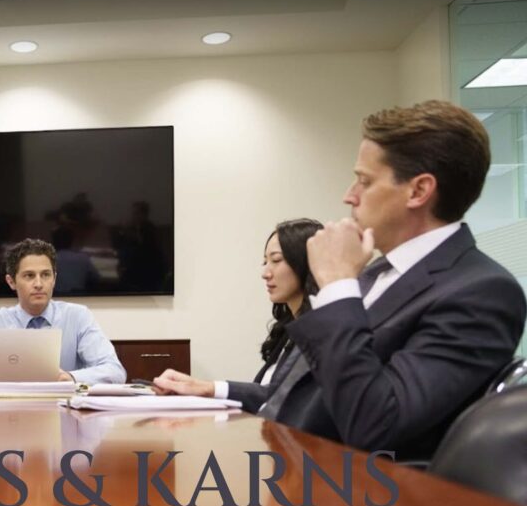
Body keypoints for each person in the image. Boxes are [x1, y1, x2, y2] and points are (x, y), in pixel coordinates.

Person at [166, 101, 527, 460]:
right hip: (282, 464)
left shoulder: (482, 292)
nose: (349, 195)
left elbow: (378, 422)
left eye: (365, 181)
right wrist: (212, 390)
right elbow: (295, 393)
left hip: (353, 488)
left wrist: (337, 287)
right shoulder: (372, 273)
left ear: (418, 191)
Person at [153, 219, 322, 413]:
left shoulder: (321, 334)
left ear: (306, 262)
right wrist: (199, 387)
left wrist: (207, 388)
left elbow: (282, 398)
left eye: (276, 260)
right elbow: (266, 395)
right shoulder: (288, 329)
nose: (265, 273)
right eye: (265, 262)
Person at [0, 238, 126, 383]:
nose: (39, 284)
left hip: (63, 415)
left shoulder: (77, 316)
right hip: (5, 416)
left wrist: (71, 377)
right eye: (29, 276)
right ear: (11, 282)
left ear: (54, 279)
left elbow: (115, 371)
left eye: (46, 275)